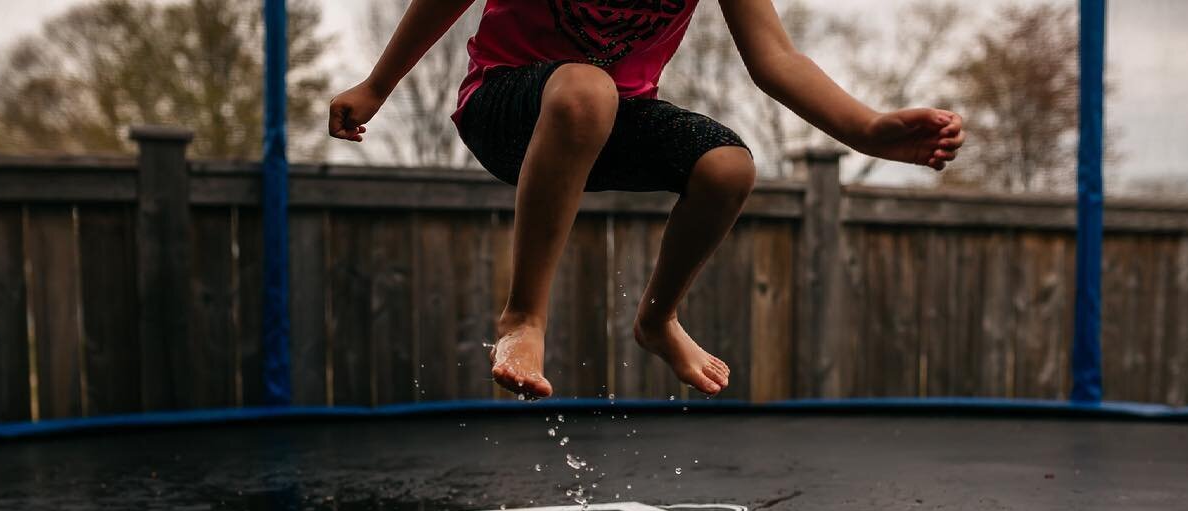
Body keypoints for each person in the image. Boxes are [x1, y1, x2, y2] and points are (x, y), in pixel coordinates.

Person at [329, 0, 965, 398]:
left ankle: (658, 319)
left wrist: (869, 129)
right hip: (506, 108)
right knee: (586, 89)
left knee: (727, 167)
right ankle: (524, 317)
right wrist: (379, 85)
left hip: (614, 119)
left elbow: (776, 58)